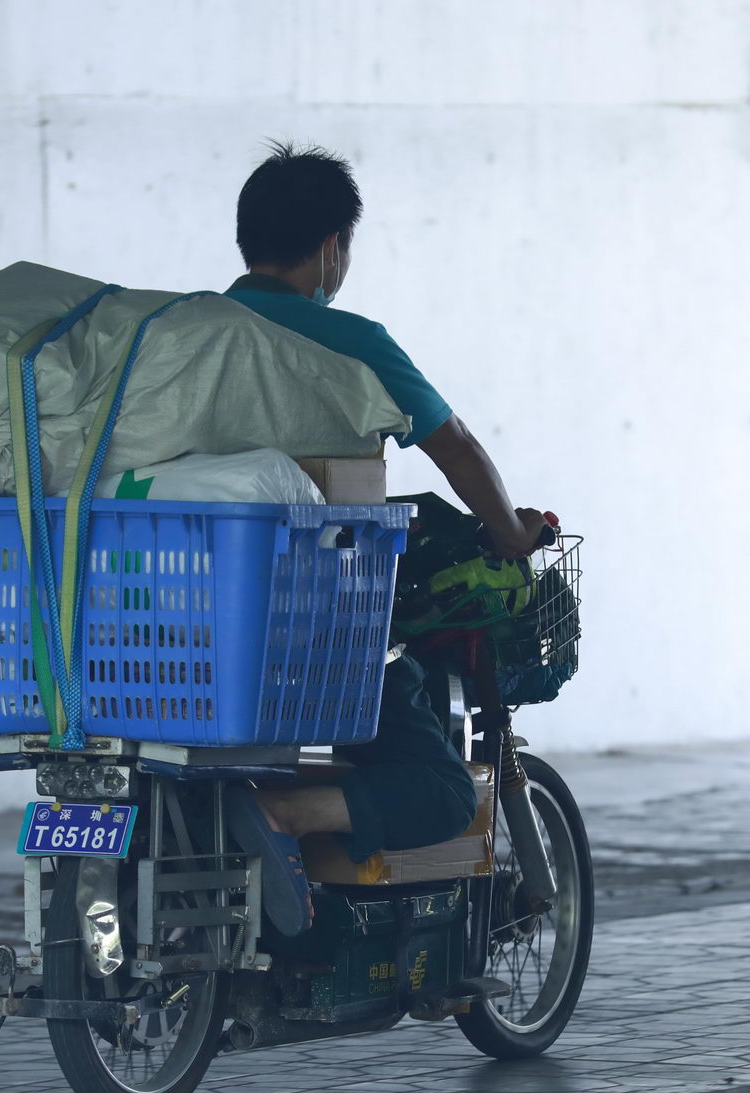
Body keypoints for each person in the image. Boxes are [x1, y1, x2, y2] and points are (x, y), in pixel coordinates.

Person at [218, 141, 551, 937]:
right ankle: (290, 815)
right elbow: (457, 446)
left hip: (190, 624)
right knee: (439, 785)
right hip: (317, 629)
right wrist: (508, 531)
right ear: (333, 247)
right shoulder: (355, 343)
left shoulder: (185, 334)